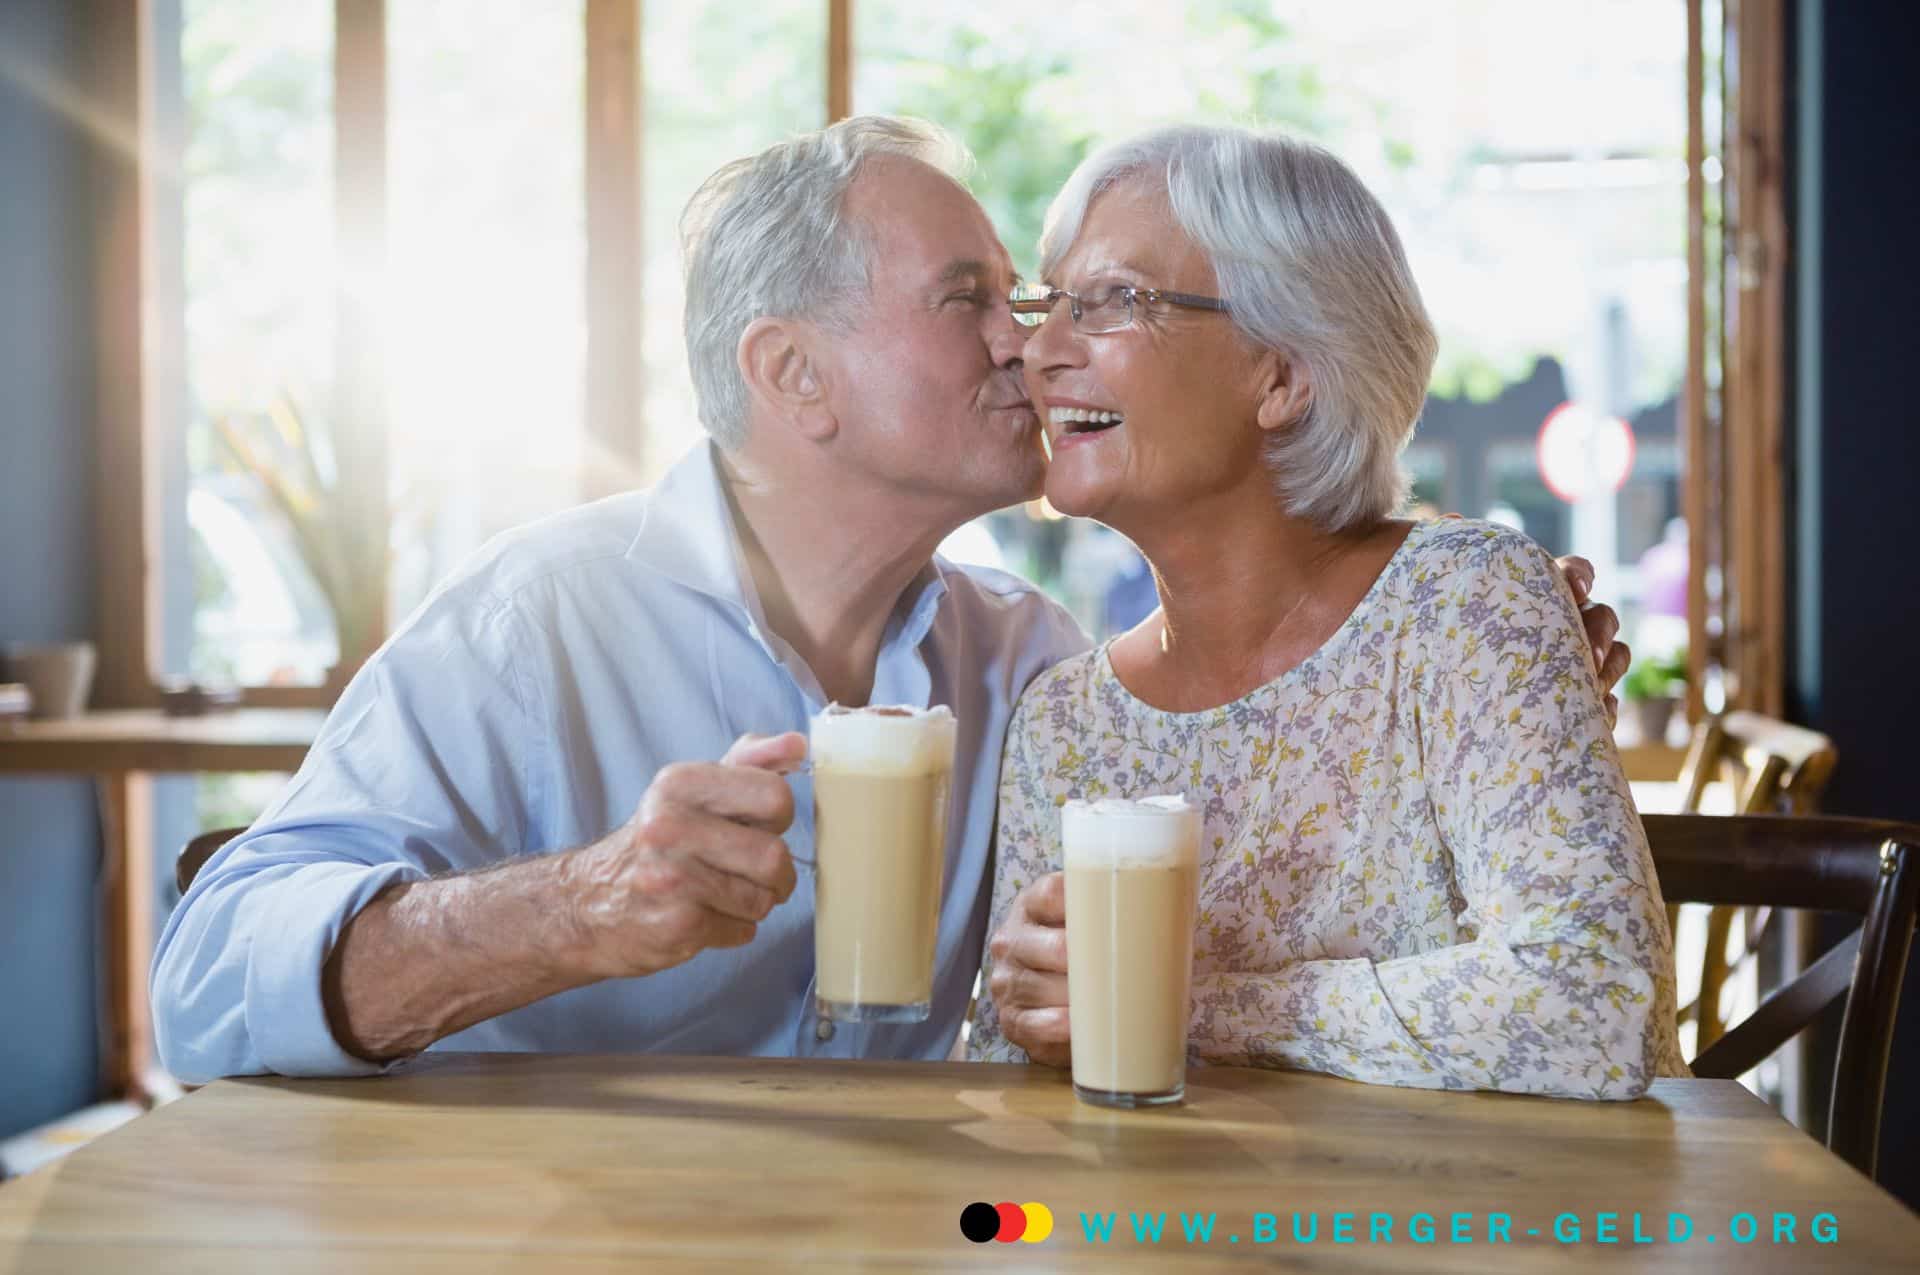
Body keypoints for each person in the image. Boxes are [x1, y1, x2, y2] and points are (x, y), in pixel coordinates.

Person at [151, 116, 1629, 1083]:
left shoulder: (1031, 668)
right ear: (796, 376)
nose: (1029, 348)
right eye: (972, 299)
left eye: (1052, 302)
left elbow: (1037, 1042)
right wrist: (568, 908)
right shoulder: (532, 626)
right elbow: (204, 988)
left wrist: (1466, 638)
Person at [969, 125, 1683, 1099]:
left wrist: (1189, 1005)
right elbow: (1021, 1088)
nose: (1035, 350)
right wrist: (1019, 1013)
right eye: (1049, 303)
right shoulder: (1068, 723)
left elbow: (1597, 1005)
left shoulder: (1467, 607)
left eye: (1110, 303)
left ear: (1283, 376)